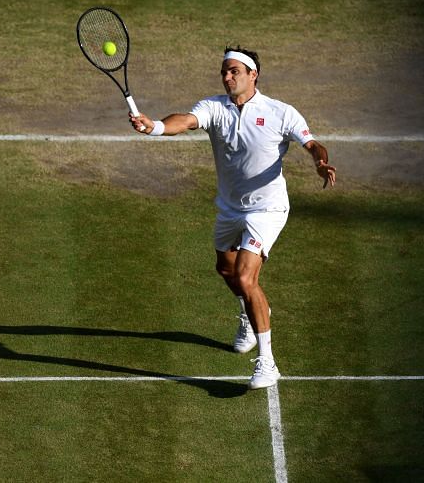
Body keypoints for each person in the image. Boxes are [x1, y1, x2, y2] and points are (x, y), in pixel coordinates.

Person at [129, 46, 336, 390]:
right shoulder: (214, 107)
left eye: (234, 71)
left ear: (253, 74)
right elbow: (185, 121)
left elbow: (312, 144)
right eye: (224, 71)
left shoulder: (280, 113)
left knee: (244, 276)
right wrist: (154, 127)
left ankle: (268, 363)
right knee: (225, 269)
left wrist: (319, 162)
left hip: (267, 209)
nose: (227, 77)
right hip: (230, 207)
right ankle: (250, 314)